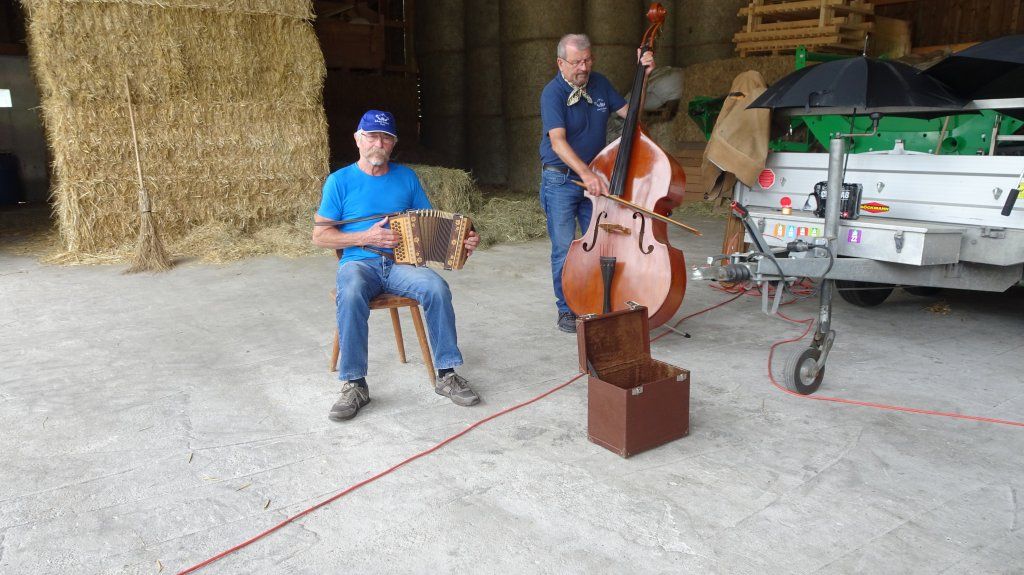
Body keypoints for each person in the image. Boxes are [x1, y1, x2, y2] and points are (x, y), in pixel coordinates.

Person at [312, 110, 481, 421]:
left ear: (393, 144)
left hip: (403, 263)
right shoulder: (339, 181)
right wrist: (366, 236)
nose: (379, 144)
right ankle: (355, 384)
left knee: (436, 287)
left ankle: (446, 374)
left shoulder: (407, 178)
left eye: (386, 138)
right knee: (350, 291)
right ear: (358, 139)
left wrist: (464, 241)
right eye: (372, 136)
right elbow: (320, 236)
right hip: (359, 263)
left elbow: (435, 228)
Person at [539, 34, 654, 333]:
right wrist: (585, 174)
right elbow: (558, 143)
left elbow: (632, 116)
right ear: (561, 63)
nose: (584, 67)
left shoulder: (600, 83)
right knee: (565, 248)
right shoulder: (552, 93)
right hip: (561, 180)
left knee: (601, 243)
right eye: (577, 62)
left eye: (588, 60)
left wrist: (643, 77)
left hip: (596, 180)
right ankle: (566, 310)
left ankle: (597, 302)